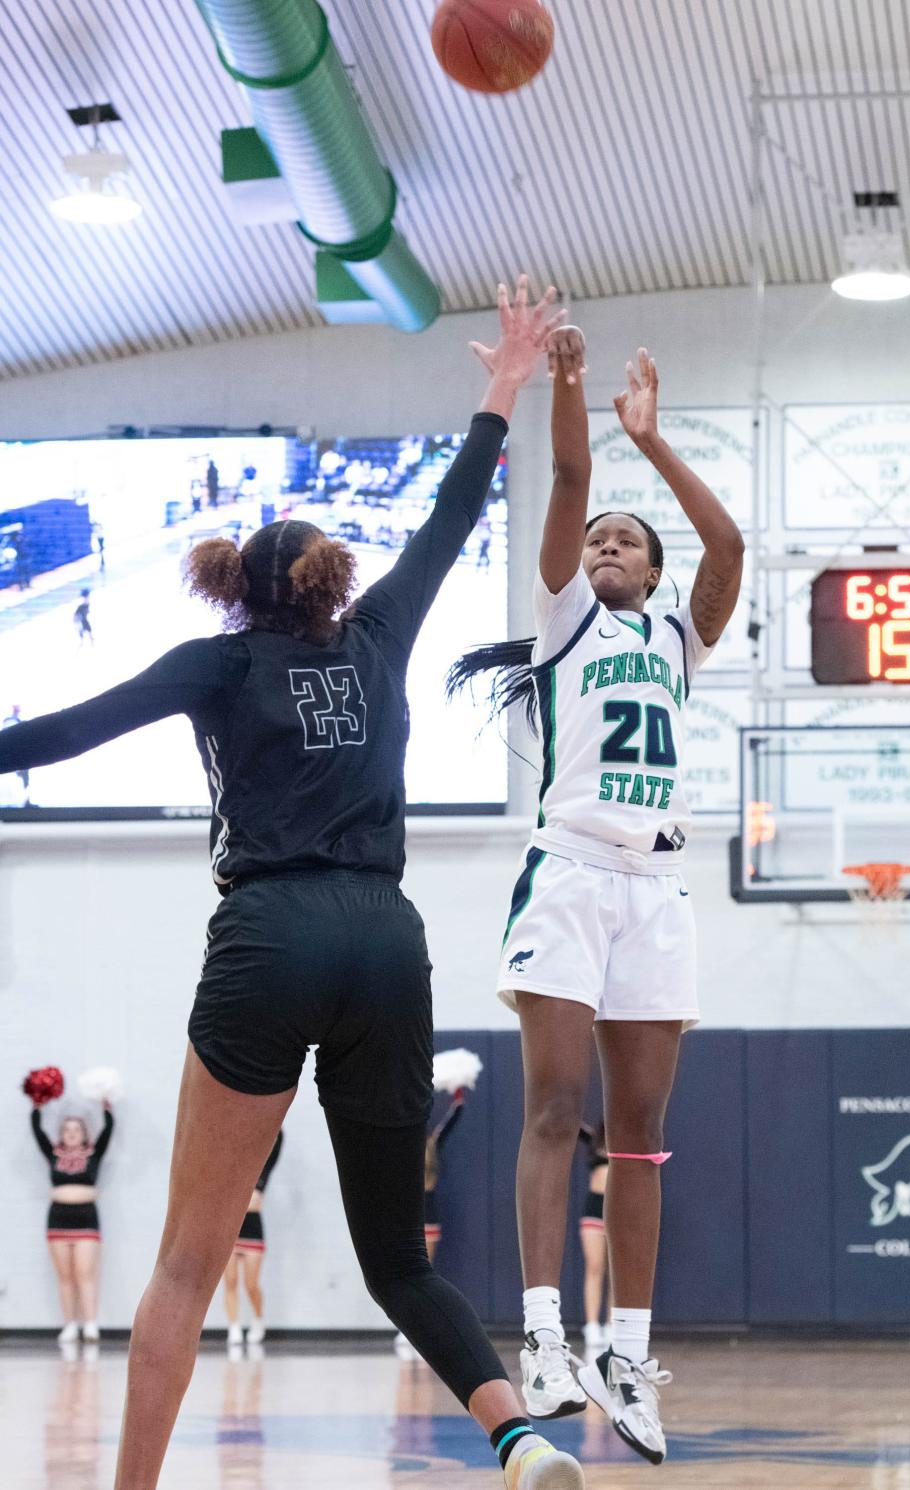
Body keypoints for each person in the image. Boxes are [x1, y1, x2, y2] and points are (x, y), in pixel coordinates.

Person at [0, 278, 584, 1490]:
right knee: (398, 1258)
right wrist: (502, 384)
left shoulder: (214, 662)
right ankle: (518, 1437)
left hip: (272, 933)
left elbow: (58, 733)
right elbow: (446, 518)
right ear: (327, 582)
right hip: (386, 937)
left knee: (182, 1262)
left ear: (236, 589)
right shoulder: (378, 635)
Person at [448, 328, 744, 1463]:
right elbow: (568, 481)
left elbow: (725, 541)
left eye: (630, 539)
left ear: (653, 573)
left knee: (642, 1135)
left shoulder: (678, 634)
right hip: (571, 869)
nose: (609, 542)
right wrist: (570, 389)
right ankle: (541, 1334)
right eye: (600, 537)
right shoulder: (567, 617)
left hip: (657, 887)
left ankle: (626, 1349)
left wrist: (654, 441)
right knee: (554, 1109)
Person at [29, 1098, 114, 1345]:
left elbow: (108, 1132)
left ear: (84, 1133)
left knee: (85, 1273)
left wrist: (107, 1109)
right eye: (67, 1130)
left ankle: (90, 1324)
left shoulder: (93, 1154)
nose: (72, 1134)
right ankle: (69, 1324)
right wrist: (36, 1105)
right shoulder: (53, 1154)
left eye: (77, 1129)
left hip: (86, 1222)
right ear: (61, 1134)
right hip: (58, 1222)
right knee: (64, 1275)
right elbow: (37, 1132)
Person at [395, 1087, 467, 1361]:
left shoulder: (433, 1143)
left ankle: (420, 1331)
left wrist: (458, 1089)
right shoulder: (402, 1146)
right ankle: (405, 1328)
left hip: (430, 1211)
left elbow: (454, 1116)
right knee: (406, 1274)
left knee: (423, 1274)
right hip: (408, 1211)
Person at [222, 1131, 283, 1347]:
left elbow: (276, 1148)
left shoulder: (261, 1172)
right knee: (229, 1282)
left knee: (250, 1284)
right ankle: (234, 1327)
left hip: (253, 1232)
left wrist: (277, 1125)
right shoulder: (229, 1173)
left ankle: (258, 1319)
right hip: (230, 1231)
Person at [577, 1121, 609, 1355]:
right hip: (594, 1208)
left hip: (620, 1209)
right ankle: (591, 1325)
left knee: (618, 1272)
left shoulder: (628, 1139)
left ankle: (612, 1324)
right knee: (594, 1267)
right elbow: (574, 1125)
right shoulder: (594, 1140)